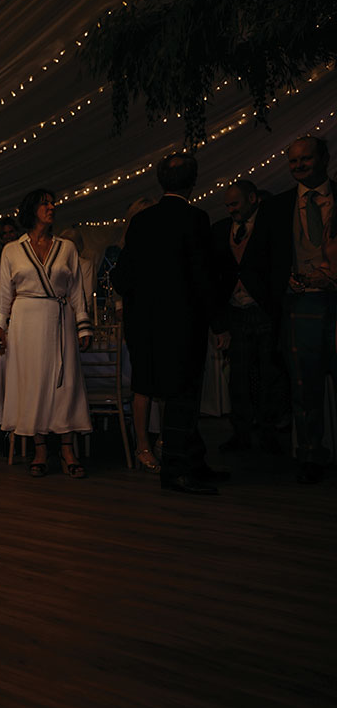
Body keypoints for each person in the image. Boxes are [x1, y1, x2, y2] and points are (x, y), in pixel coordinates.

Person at [112, 153, 228, 495]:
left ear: (161, 182)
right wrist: (218, 323)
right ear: (193, 182)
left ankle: (194, 463)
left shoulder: (141, 222)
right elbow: (203, 277)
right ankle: (177, 471)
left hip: (146, 327)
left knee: (169, 394)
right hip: (182, 325)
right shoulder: (195, 218)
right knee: (183, 397)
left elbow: (122, 278)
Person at [0, 189, 93, 478]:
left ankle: (66, 449)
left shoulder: (67, 248)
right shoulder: (12, 250)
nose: (51, 207)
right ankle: (39, 450)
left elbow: (77, 291)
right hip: (25, 320)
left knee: (65, 383)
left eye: (52, 203)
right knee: (33, 381)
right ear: (32, 209)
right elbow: (3, 292)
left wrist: (83, 324)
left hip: (59, 318)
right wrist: (0, 325)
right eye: (45, 203)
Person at [265, 135, 337, 484]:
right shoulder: (278, 207)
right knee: (304, 388)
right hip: (299, 306)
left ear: (324, 158)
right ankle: (310, 455)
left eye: (305, 159)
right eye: (293, 161)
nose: (298, 166)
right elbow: (266, 262)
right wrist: (283, 283)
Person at [211, 180, 285, 455]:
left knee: (270, 374)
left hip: (263, 309)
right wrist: (219, 323)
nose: (231, 210)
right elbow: (215, 276)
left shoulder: (270, 226)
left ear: (253, 198)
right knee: (238, 378)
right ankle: (240, 432)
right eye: (228, 205)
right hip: (235, 311)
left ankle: (269, 432)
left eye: (235, 204)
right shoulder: (219, 230)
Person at [107, 197, 159, 471]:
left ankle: (163, 441)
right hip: (141, 322)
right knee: (143, 385)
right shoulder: (128, 252)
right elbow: (119, 283)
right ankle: (143, 446)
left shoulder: (164, 245)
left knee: (165, 384)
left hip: (163, 321)